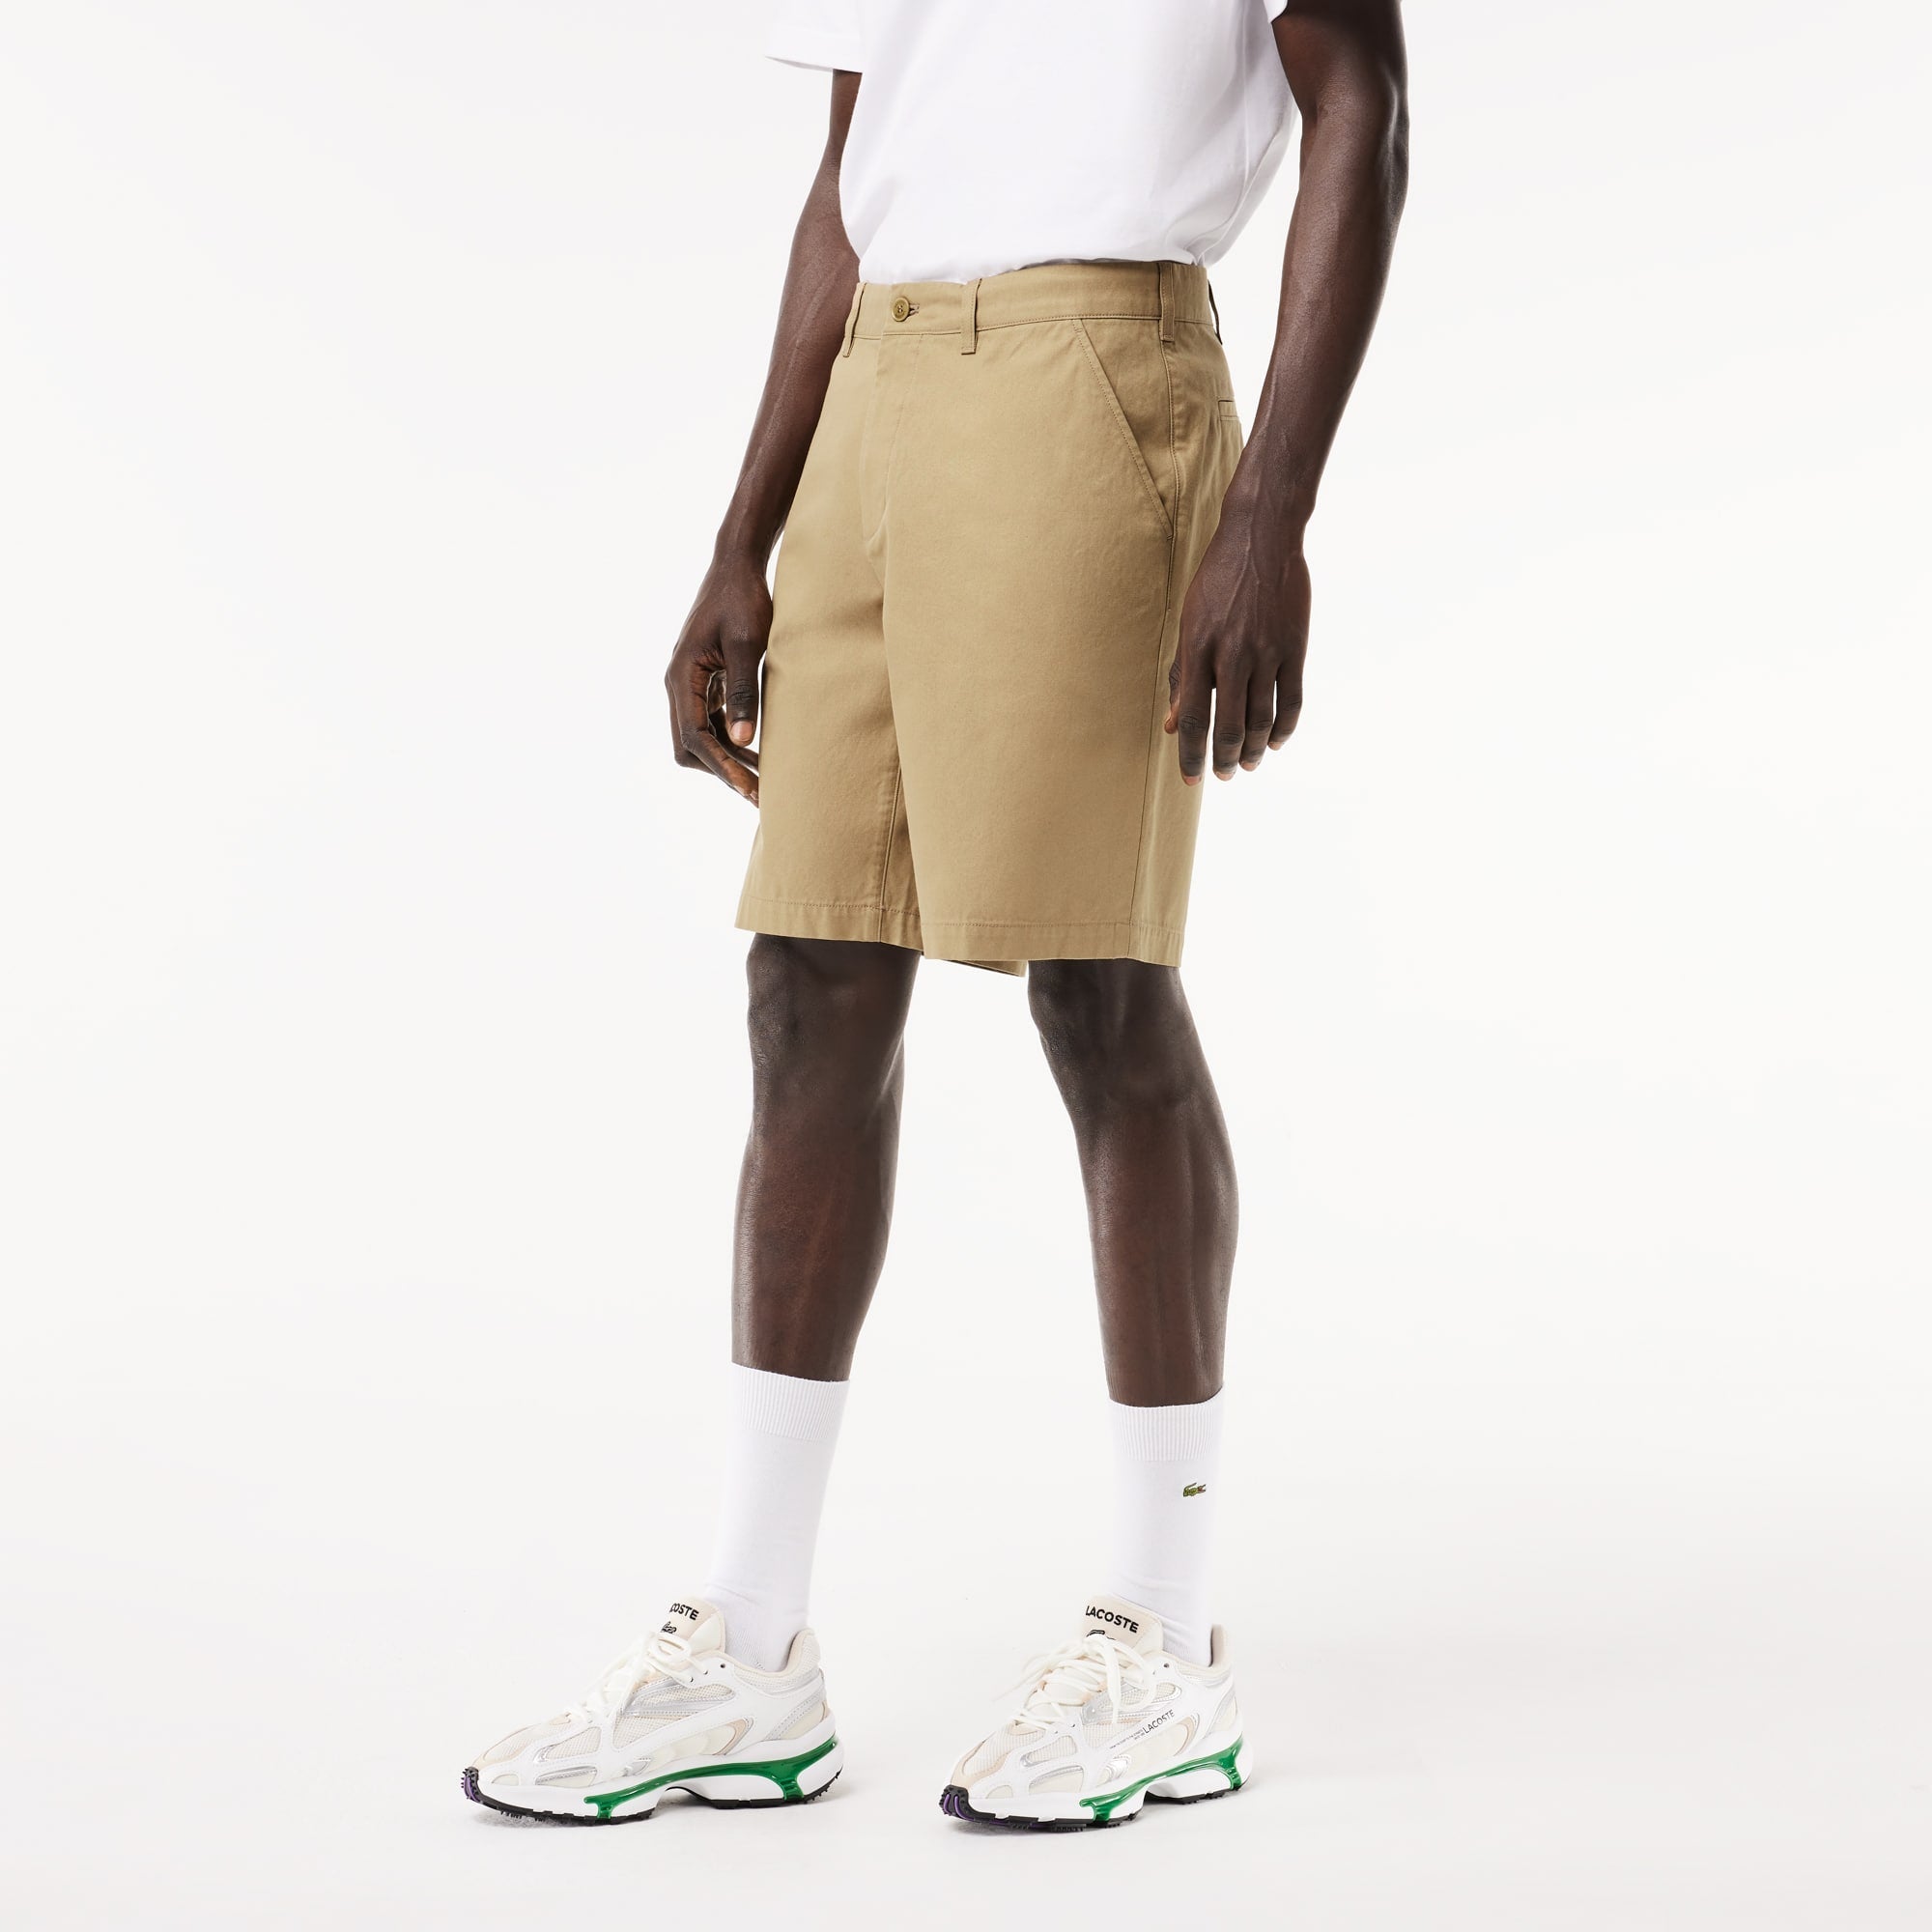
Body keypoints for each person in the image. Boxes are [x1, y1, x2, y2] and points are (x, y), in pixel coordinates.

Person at [463, 0, 1407, 1831]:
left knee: (1097, 978)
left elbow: (1363, 97)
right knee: (810, 975)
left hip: (1097, 365)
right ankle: (748, 1649)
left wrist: (1271, 510)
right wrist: (742, 535)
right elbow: (851, 170)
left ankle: (1162, 1639)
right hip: (876, 393)